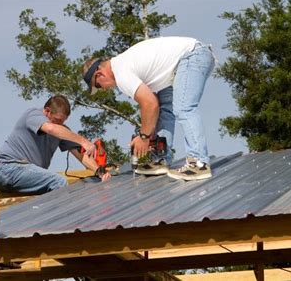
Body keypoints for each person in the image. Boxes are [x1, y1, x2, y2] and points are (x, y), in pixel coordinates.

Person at [82, 36, 215, 181]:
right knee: (166, 109)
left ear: (99, 74)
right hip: (180, 64)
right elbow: (153, 108)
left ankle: (199, 163)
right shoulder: (123, 64)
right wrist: (148, 133)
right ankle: (161, 159)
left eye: (99, 86)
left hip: (192, 56)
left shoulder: (121, 73)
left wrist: (144, 137)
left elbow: (150, 104)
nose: (104, 89)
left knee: (184, 108)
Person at [0, 95, 111, 195]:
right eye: (57, 120)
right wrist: (84, 141)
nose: (60, 124)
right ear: (47, 111)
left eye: (63, 121)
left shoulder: (61, 130)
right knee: (58, 182)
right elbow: (51, 128)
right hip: (6, 169)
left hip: (20, 177)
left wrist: (99, 171)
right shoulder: (33, 114)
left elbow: (81, 155)